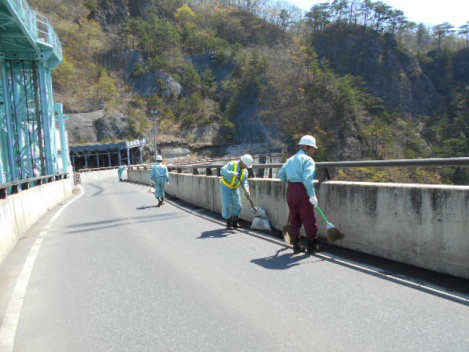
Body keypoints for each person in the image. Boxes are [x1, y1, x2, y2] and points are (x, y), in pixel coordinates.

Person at [278, 135, 319, 254]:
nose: (314, 150)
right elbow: (307, 179)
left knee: (294, 219)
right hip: (302, 190)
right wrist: (312, 195)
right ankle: (312, 246)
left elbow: (281, 175)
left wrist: (291, 182)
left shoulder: (290, 159)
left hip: (291, 190)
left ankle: (296, 246)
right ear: (306, 147)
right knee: (309, 219)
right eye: (312, 148)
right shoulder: (307, 160)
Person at [220, 154, 253, 229]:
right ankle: (228, 223)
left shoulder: (245, 171)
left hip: (234, 188)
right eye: (246, 165)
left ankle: (234, 223)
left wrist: (247, 191)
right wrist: (232, 174)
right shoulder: (232, 164)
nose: (246, 167)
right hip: (225, 187)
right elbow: (222, 171)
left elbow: (244, 182)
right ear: (242, 162)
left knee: (238, 205)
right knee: (226, 204)